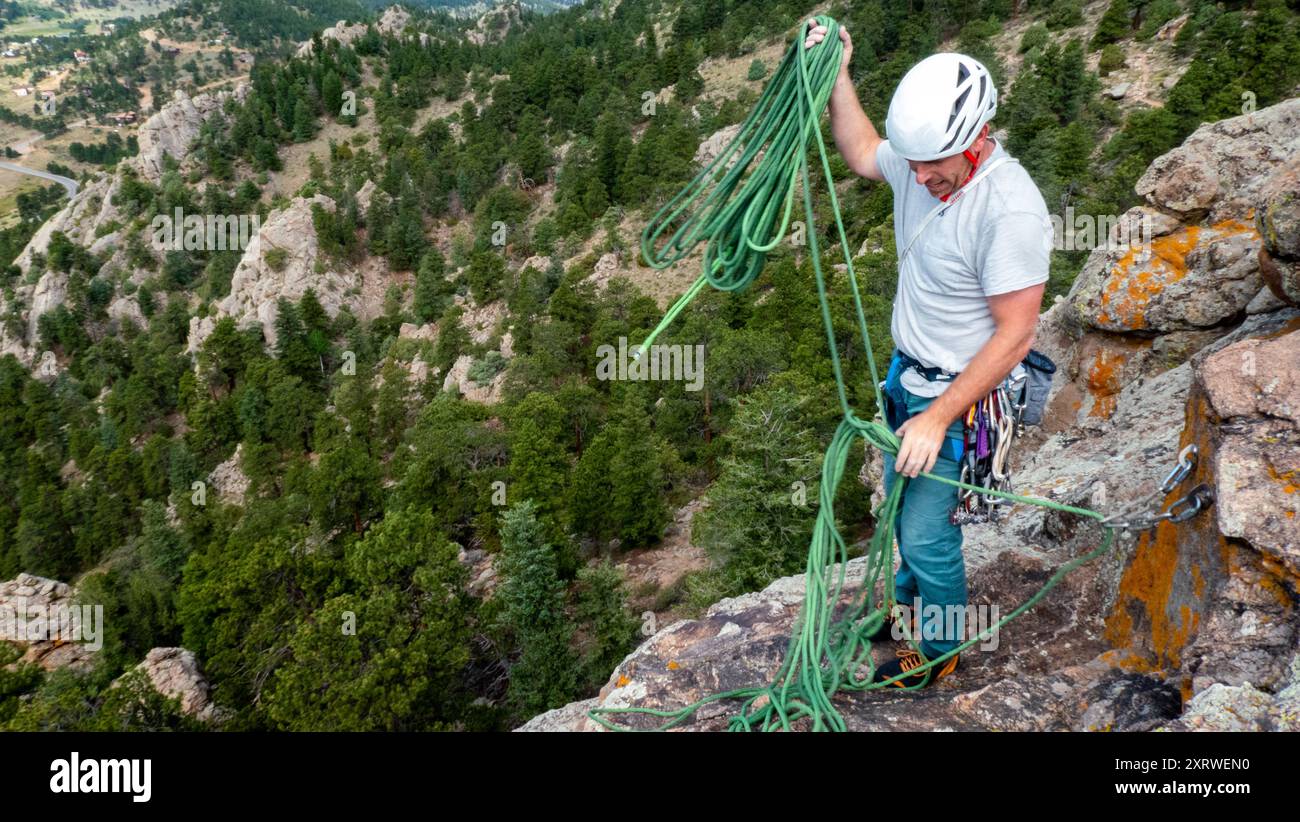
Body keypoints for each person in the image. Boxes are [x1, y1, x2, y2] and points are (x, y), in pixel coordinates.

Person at [804, 21, 1051, 688]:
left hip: (961, 403)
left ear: (974, 141)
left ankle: (941, 654)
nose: (917, 178)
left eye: (932, 166)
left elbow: (1016, 336)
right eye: (913, 164)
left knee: (925, 534)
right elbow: (862, 153)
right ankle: (910, 615)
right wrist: (838, 74)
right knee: (898, 510)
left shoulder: (1010, 212)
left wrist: (939, 416)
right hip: (906, 380)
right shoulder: (926, 167)